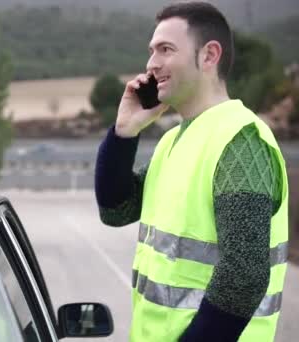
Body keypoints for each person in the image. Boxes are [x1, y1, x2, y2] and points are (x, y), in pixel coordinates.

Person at [94, 2, 288, 342]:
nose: (152, 63)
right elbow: (115, 209)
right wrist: (124, 132)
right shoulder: (174, 139)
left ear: (209, 56)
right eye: (152, 51)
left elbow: (243, 275)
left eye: (166, 49)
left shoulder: (240, 140)